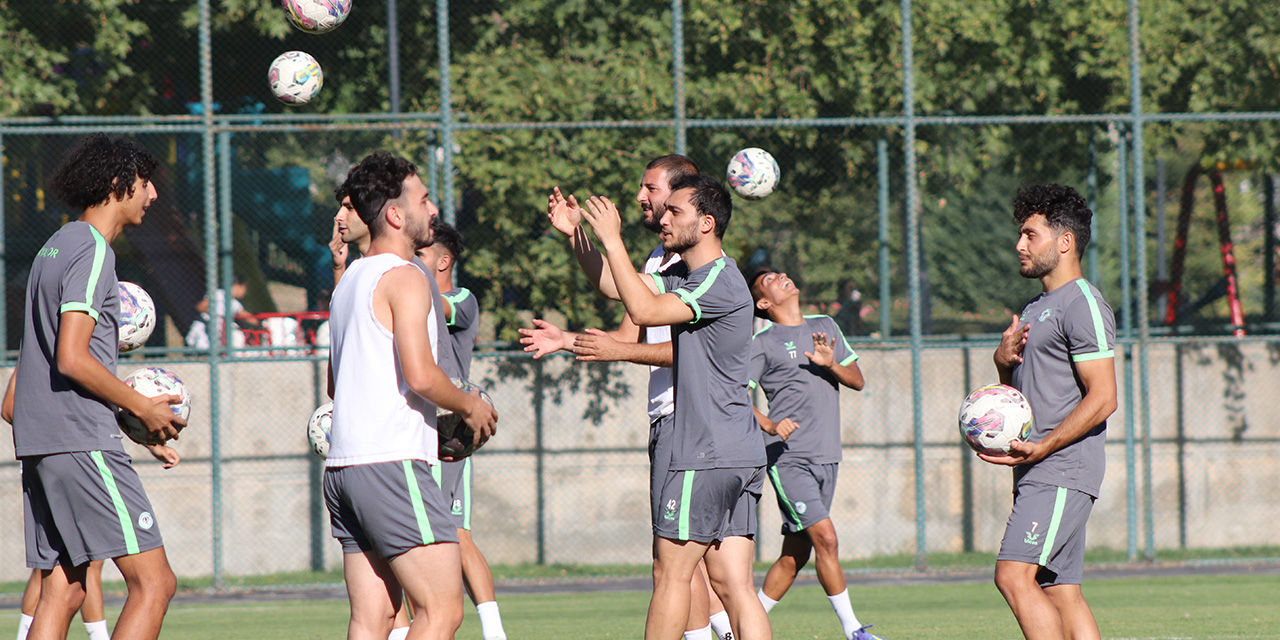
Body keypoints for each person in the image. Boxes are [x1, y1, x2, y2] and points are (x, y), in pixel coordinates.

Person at [519, 155, 734, 640]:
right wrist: (576, 239)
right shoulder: (662, 257)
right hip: (672, 420)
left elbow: (691, 352)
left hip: (696, 423)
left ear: (683, 196)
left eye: (650, 188)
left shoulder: (699, 261)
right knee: (694, 567)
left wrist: (609, 242)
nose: (641, 197)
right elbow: (623, 312)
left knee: (680, 566)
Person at [576, 173, 770, 640]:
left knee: (670, 574)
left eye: (674, 211)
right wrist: (578, 236)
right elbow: (616, 285)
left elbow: (643, 313)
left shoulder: (718, 281)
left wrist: (612, 237)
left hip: (705, 452)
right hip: (737, 450)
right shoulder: (692, 275)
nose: (663, 217)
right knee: (734, 585)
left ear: (706, 223)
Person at [10, 134, 185, 640]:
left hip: (43, 446)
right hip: (82, 444)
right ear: (118, 182)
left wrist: (126, 421)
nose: (152, 195)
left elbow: (13, 400)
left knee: (63, 588)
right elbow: (71, 357)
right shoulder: (91, 251)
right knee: (155, 583)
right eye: (146, 182)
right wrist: (142, 408)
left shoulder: (54, 247)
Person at [325, 152, 497, 640]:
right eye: (423, 199)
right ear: (397, 215)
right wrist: (470, 405)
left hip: (344, 470)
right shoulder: (406, 277)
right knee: (441, 612)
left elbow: (336, 387)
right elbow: (422, 376)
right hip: (392, 464)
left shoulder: (348, 281)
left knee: (373, 618)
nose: (434, 208)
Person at [987, 184, 1117, 640]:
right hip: (1040, 467)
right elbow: (1022, 399)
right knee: (1059, 589)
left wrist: (1045, 446)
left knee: (1012, 575)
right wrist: (1003, 366)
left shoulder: (1082, 303)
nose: (1019, 245)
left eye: (1030, 234)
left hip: (1062, 467)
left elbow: (1103, 397)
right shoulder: (1036, 308)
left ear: (1064, 242)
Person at [746, 270, 884, 640]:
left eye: (781, 273)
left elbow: (857, 380)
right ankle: (854, 630)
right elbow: (733, 395)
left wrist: (830, 364)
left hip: (828, 456)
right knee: (827, 539)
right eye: (772, 279)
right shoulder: (762, 342)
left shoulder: (825, 326)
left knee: (794, 557)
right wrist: (770, 425)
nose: (783, 277)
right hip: (789, 458)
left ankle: (743, 626)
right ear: (764, 302)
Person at [415, 221, 507, 640]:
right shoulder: (412, 300)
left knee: (445, 536)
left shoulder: (460, 299)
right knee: (446, 535)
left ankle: (491, 629)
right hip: (420, 430)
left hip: (445, 432)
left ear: (444, 260)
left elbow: (439, 307)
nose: (411, 259)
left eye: (421, 253)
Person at [185, 273, 260, 349]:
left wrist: (262, 322)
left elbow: (247, 316)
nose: (244, 291)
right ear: (237, 285)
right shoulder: (218, 294)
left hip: (218, 335)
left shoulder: (234, 303)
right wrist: (217, 314)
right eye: (244, 287)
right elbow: (200, 307)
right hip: (204, 332)